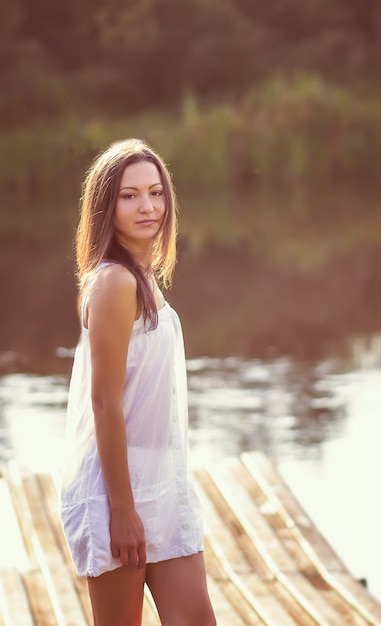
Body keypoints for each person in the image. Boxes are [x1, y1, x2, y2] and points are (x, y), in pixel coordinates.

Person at [60, 138, 216, 626]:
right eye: (130, 195)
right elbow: (104, 404)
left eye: (155, 192)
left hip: (163, 481)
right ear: (106, 205)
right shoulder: (113, 282)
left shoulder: (142, 276)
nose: (148, 206)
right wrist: (123, 511)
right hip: (116, 489)